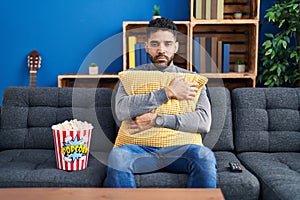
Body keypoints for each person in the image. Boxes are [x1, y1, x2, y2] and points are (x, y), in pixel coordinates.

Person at [106, 17, 217, 188]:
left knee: (205, 156)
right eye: (155, 44)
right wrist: (167, 92)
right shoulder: (130, 76)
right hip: (138, 150)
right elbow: (121, 111)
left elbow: (204, 122)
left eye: (167, 44)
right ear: (147, 47)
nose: (161, 50)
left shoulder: (192, 79)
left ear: (176, 47)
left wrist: (158, 120)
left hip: (181, 150)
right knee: (117, 157)